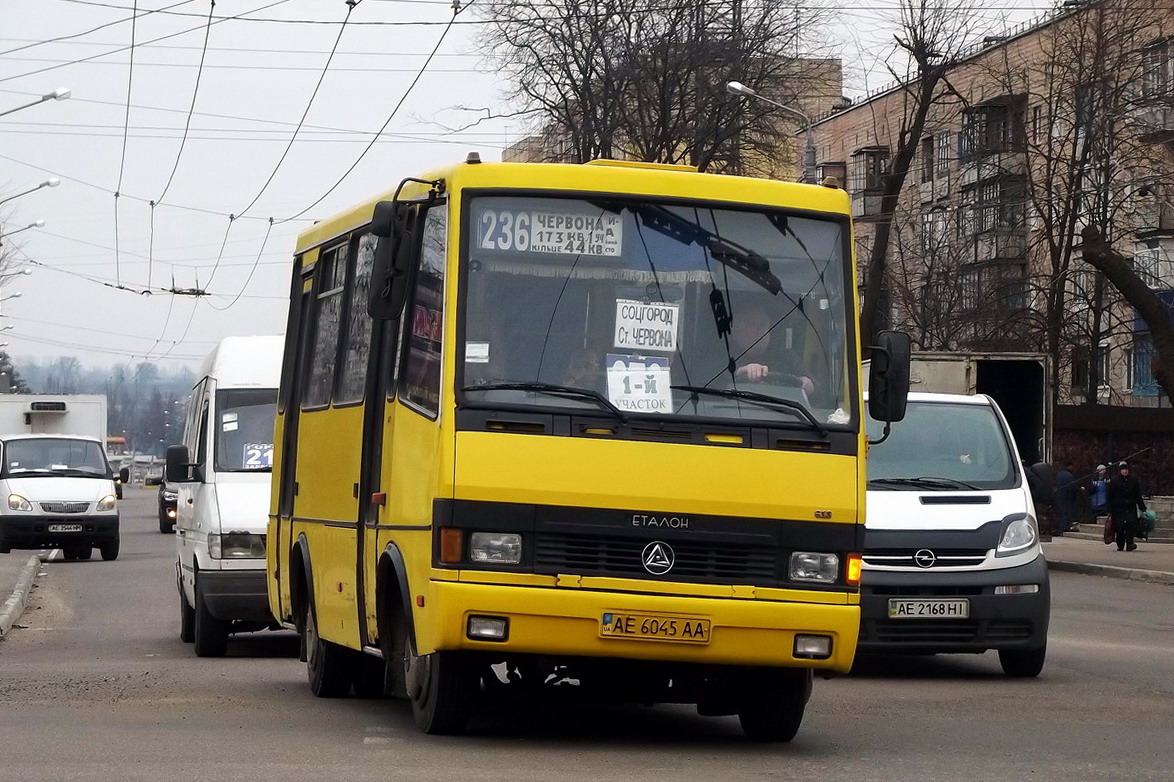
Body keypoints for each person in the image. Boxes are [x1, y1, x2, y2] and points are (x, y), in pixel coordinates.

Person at [727, 306, 814, 395]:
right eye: (750, 324)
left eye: (762, 323)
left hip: (782, 408)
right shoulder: (724, 358)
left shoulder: (786, 357)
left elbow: (818, 392)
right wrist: (739, 372)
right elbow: (715, 385)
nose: (758, 330)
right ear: (735, 331)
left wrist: (808, 383)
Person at [1106, 461, 1146, 552]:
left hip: (1130, 507)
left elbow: (1137, 495)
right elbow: (1109, 496)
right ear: (1120, 471)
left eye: (1126, 469)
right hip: (1118, 508)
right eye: (1123, 469)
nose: (1125, 471)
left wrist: (1142, 507)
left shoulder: (1133, 480)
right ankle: (1120, 544)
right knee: (1119, 527)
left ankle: (1129, 543)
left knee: (1130, 525)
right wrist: (1109, 509)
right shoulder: (1114, 481)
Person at [1053, 462, 1079, 535]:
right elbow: (1073, 488)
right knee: (1066, 512)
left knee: (1060, 511)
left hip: (1059, 495)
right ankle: (1064, 527)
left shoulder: (1059, 474)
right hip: (1067, 496)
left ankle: (1059, 527)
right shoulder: (1070, 476)